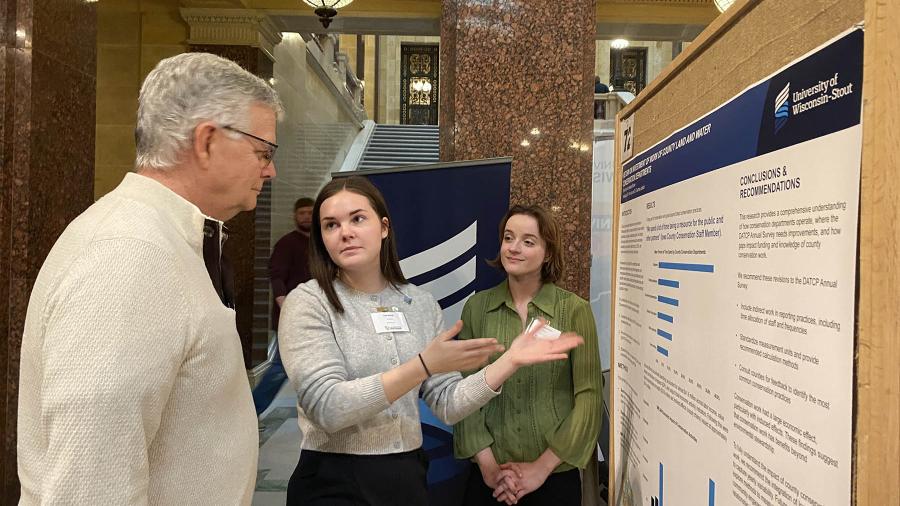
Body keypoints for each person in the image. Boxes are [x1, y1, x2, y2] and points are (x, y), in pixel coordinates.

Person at [17, 52, 282, 504]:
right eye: (263, 151)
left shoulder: (158, 238)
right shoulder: (130, 255)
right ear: (207, 141)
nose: (270, 169)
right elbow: (91, 484)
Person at [277, 176, 584, 506]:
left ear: (383, 227)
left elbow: (449, 403)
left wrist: (510, 362)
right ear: (322, 238)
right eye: (330, 225)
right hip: (332, 480)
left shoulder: (420, 305)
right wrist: (422, 365)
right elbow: (327, 408)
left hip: (405, 476)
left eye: (357, 218)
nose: (345, 232)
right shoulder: (308, 301)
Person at [454, 205, 603, 506]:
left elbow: (588, 397)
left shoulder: (574, 310)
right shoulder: (477, 309)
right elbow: (463, 392)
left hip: (554, 476)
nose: (514, 248)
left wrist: (540, 468)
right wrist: (489, 467)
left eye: (528, 241)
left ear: (548, 253)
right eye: (508, 238)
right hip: (490, 480)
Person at [253, 197, 314, 416]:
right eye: (302, 213)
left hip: (317, 315)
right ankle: (251, 413)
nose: (306, 217)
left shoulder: (321, 242)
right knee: (281, 367)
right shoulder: (287, 243)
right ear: (295, 216)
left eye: (309, 212)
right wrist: (285, 305)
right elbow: (276, 275)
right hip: (291, 316)